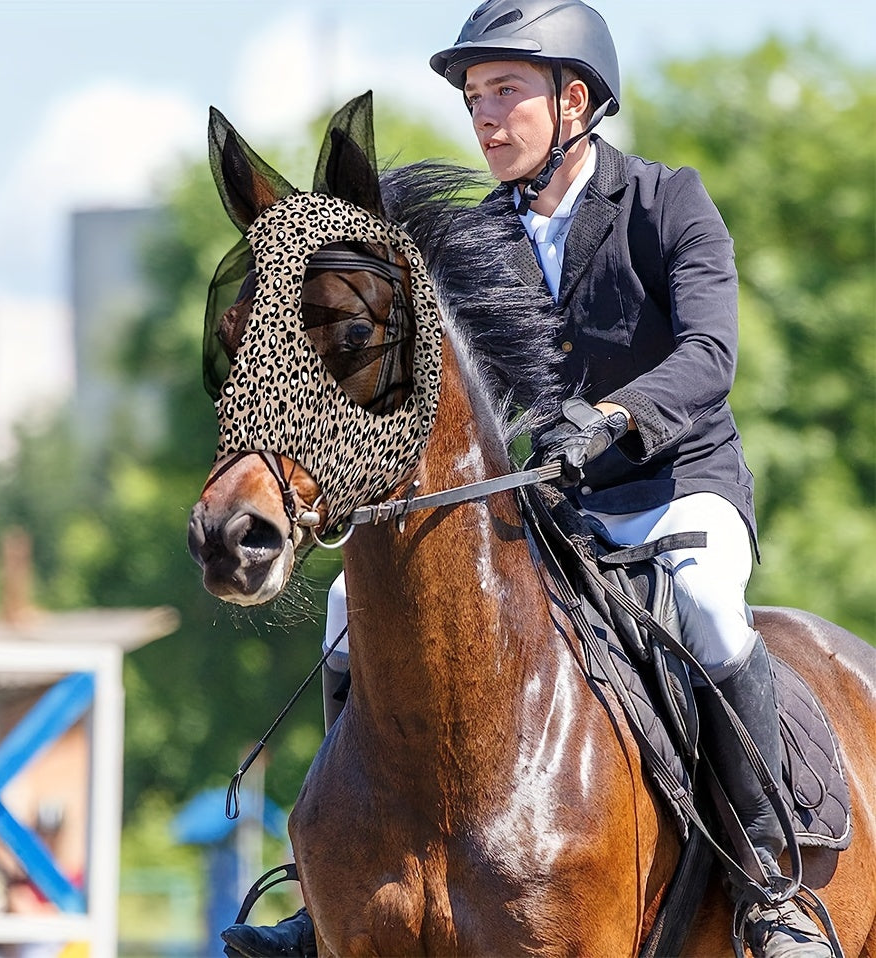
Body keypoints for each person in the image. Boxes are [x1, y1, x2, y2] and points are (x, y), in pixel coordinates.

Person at [223, 2, 835, 956]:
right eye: (474, 97)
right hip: (547, 507)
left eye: (505, 90)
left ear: (575, 99)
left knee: (711, 605)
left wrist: (619, 417)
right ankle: (325, 889)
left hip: (674, 489)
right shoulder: (476, 239)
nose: (485, 116)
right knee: (350, 603)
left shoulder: (669, 201)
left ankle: (771, 889)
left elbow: (712, 353)